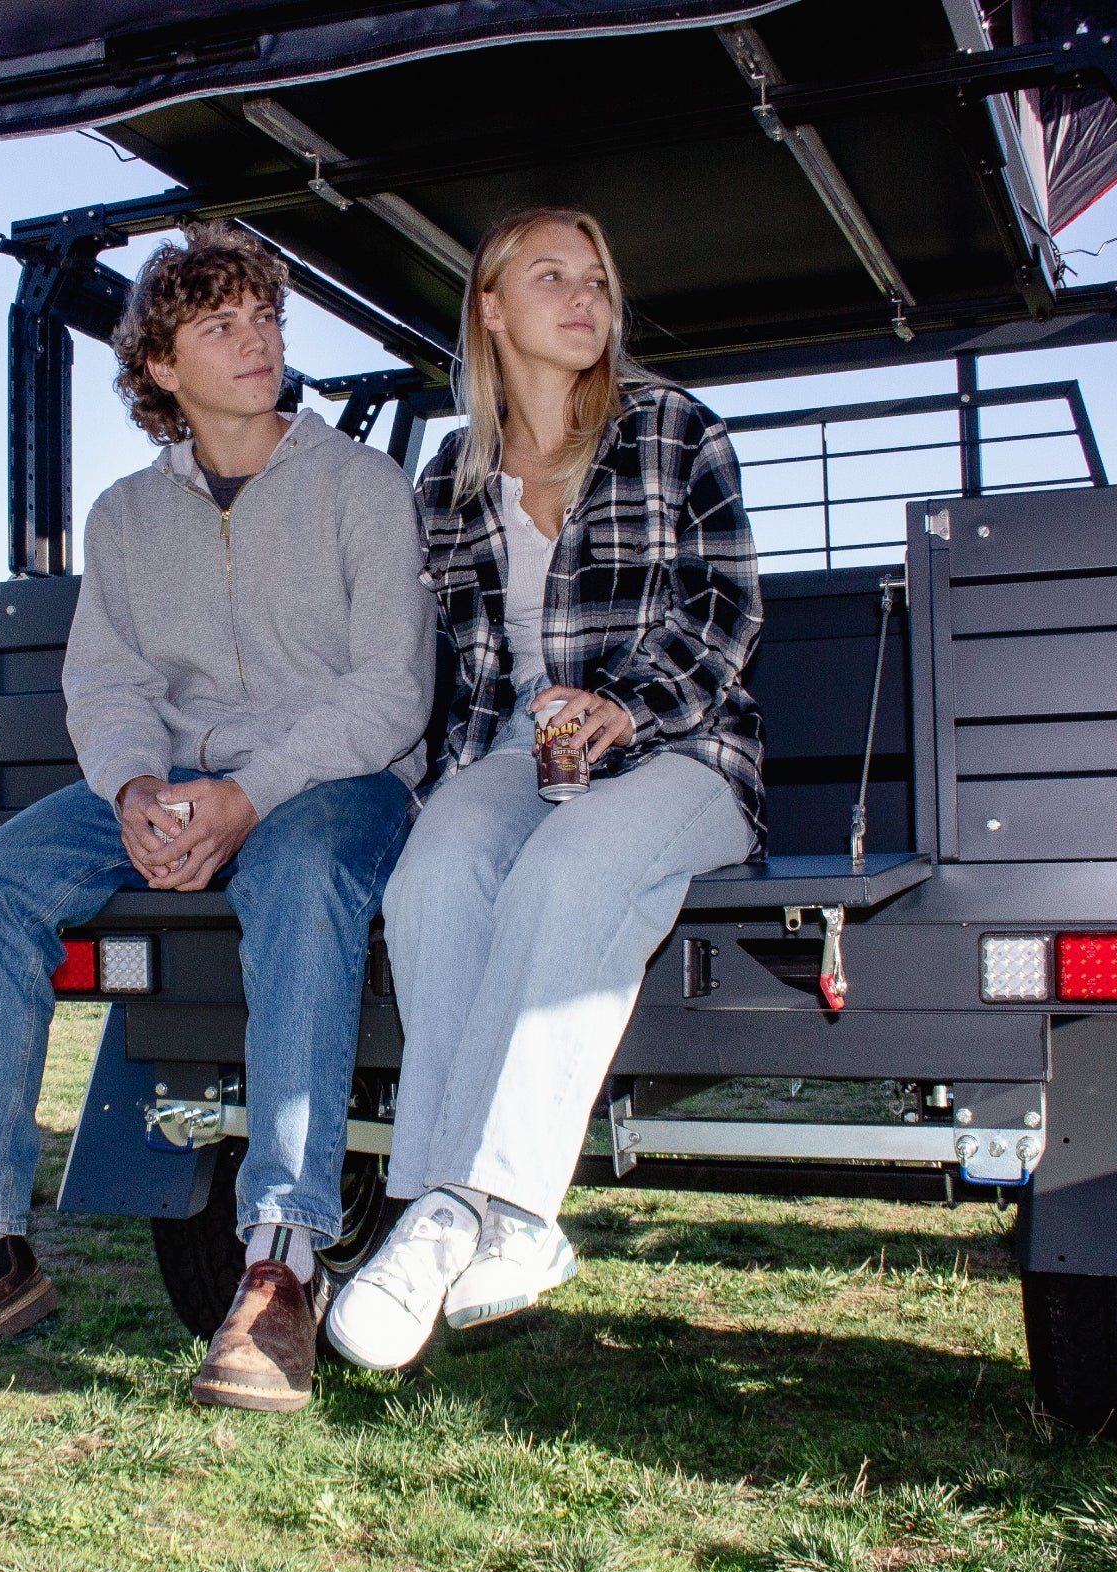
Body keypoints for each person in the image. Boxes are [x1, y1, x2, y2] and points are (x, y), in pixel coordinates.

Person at [0, 222, 432, 1412]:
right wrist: (130, 792)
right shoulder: (126, 517)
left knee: (302, 878)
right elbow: (104, 685)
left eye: (266, 316)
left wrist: (247, 795)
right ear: (161, 367)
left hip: (332, 782)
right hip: (161, 782)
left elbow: (389, 691)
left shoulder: (360, 486)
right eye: (221, 325)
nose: (257, 339)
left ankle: (279, 1264)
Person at [324, 208, 764, 1371]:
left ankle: (496, 1211)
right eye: (553, 275)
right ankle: (446, 1211)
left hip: (685, 750)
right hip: (518, 753)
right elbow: (450, 669)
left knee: (567, 871)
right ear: (490, 304)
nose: (586, 297)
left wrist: (628, 705)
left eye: (600, 280)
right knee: (432, 879)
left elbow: (727, 611)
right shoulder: (452, 478)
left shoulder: (674, 431)